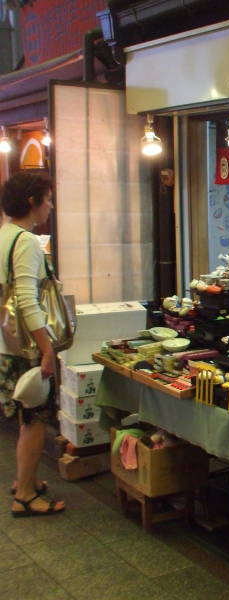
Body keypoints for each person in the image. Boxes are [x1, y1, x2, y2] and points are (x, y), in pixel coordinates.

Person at [0, 172, 65, 517]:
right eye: (48, 199)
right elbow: (26, 300)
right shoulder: (25, 241)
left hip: (6, 344)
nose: (51, 206)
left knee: (25, 417)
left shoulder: (5, 234)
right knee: (34, 419)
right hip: (25, 347)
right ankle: (25, 494)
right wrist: (46, 349)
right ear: (32, 202)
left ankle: (24, 480)